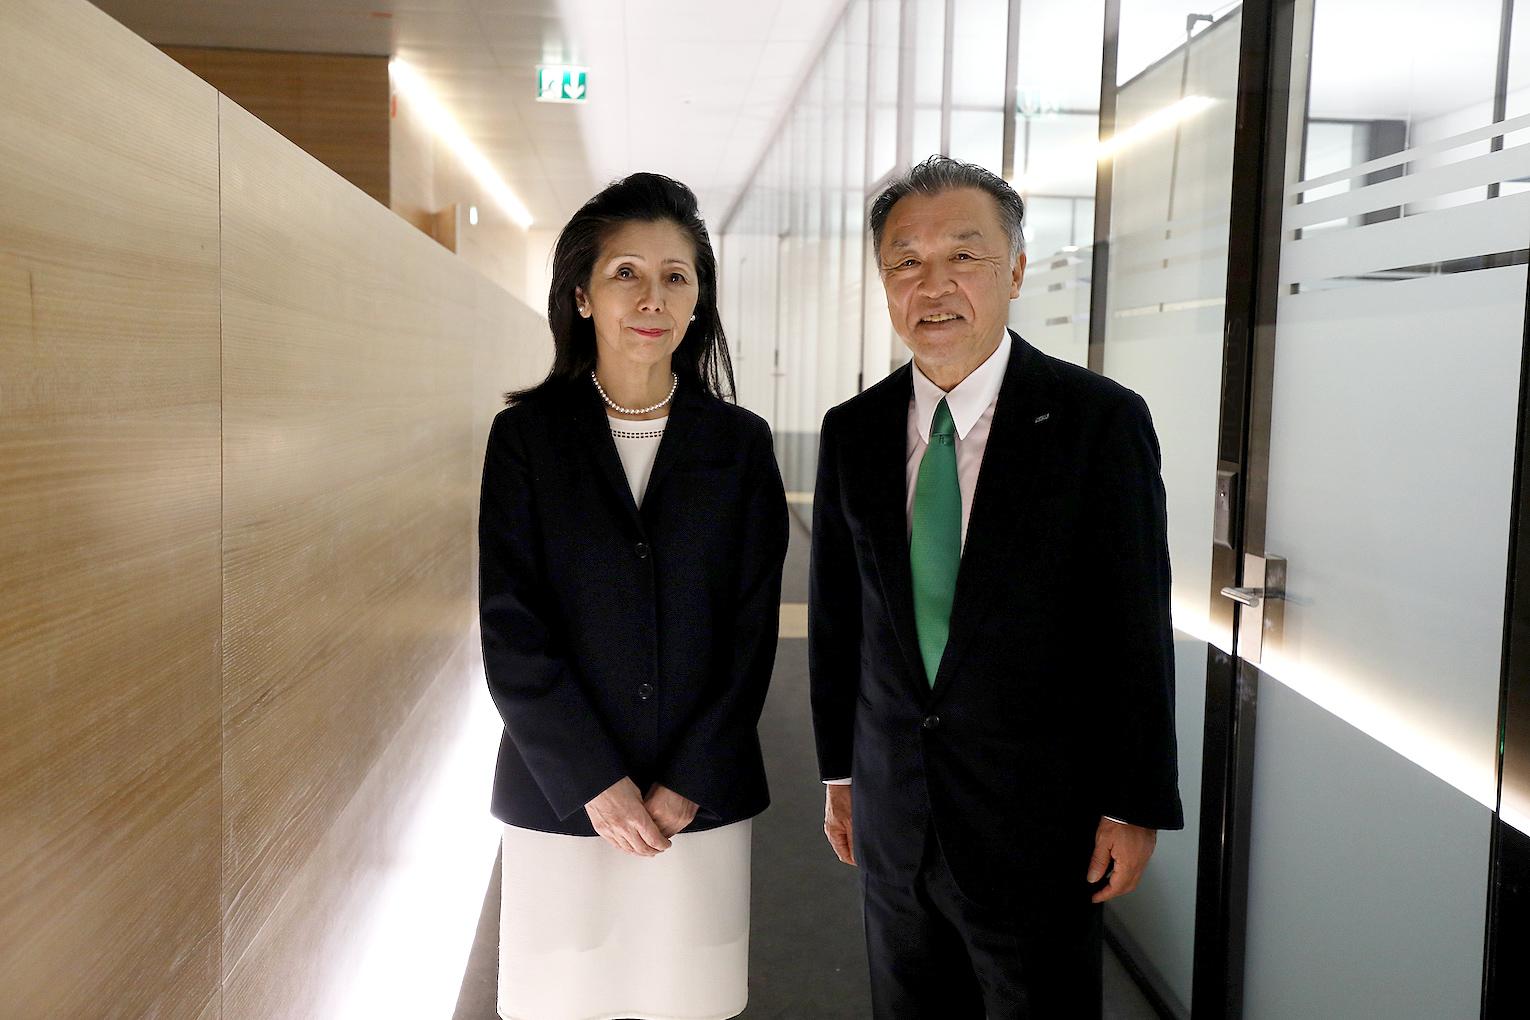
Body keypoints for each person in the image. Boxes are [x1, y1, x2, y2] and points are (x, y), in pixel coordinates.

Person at [808, 155, 1183, 1018]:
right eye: (906, 261)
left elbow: (1131, 626)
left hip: (1038, 823)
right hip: (895, 811)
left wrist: (1134, 801)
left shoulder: (1097, 423)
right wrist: (841, 774)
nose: (932, 285)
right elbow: (839, 621)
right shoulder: (854, 431)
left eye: (963, 256)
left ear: (1015, 269)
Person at [478, 172, 788, 1020]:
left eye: (676, 276)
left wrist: (686, 779)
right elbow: (511, 629)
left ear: (699, 300)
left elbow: (750, 631)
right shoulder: (525, 440)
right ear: (581, 294)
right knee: (561, 998)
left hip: (700, 800)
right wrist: (595, 783)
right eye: (626, 273)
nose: (652, 298)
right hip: (560, 793)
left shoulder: (740, 445)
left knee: (689, 997)